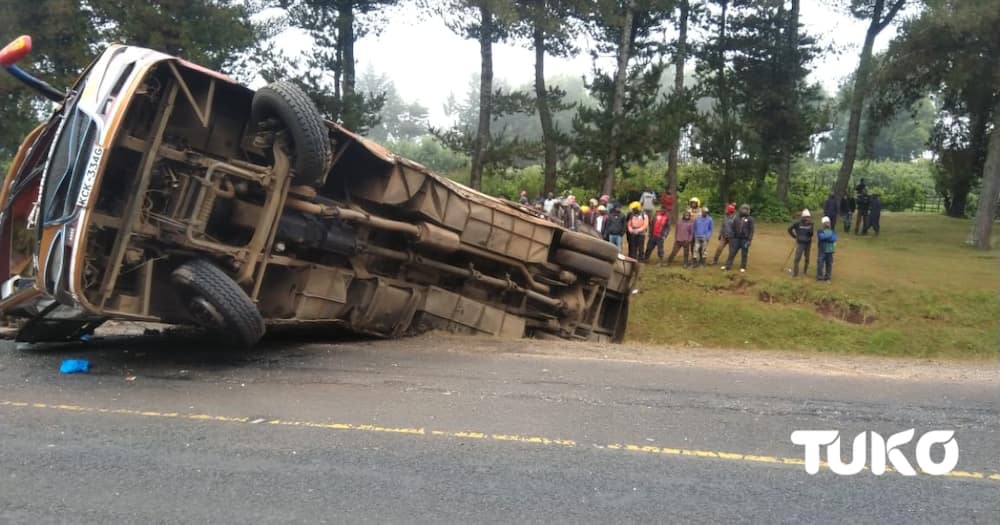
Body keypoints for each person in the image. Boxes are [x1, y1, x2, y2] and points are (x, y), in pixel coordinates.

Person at [723, 204, 754, 273]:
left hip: (745, 239)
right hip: (736, 238)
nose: (744, 211)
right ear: (740, 209)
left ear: (748, 211)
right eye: (743, 209)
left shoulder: (750, 219)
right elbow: (733, 228)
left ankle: (743, 267)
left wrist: (749, 240)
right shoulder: (736, 218)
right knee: (732, 252)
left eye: (746, 209)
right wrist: (732, 237)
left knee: (744, 253)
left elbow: (751, 230)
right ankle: (728, 265)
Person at [787, 209, 815, 277]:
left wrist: (810, 229)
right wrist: (794, 236)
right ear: (803, 217)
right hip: (800, 243)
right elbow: (789, 229)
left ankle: (805, 272)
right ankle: (795, 273)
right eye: (806, 217)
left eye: (809, 217)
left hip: (808, 243)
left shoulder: (811, 224)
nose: (808, 218)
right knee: (797, 258)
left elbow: (811, 234)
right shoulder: (797, 223)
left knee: (807, 258)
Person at [816, 216, 837, 281]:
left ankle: (828, 277)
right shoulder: (820, 231)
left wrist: (826, 237)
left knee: (829, 264)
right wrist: (829, 237)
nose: (827, 224)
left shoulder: (833, 231)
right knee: (820, 263)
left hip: (830, 250)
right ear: (823, 224)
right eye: (826, 222)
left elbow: (834, 239)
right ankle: (819, 276)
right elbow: (821, 237)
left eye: (828, 222)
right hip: (822, 250)